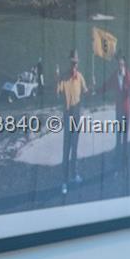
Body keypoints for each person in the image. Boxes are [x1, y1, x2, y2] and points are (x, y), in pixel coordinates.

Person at [55, 50, 88, 195]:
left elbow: (86, 92)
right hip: (68, 116)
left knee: (74, 148)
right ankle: (64, 181)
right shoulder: (63, 77)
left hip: (77, 116)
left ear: (77, 63)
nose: (74, 65)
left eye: (76, 62)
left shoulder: (80, 77)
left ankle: (74, 175)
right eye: (72, 62)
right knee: (66, 149)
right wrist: (57, 79)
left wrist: (92, 87)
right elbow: (57, 94)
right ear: (70, 63)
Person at [104, 54, 130, 170]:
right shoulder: (115, 76)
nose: (120, 66)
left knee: (125, 135)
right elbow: (106, 86)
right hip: (119, 110)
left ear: (124, 64)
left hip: (126, 110)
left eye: (122, 64)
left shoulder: (128, 75)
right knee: (118, 135)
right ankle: (117, 158)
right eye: (118, 64)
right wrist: (96, 91)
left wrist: (129, 86)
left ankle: (125, 159)